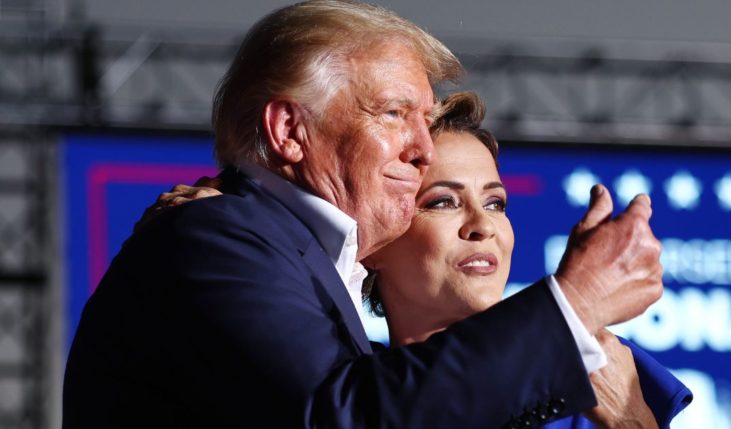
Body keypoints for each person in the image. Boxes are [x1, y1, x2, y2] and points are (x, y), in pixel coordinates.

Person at [63, 2, 663, 428]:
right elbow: (339, 415)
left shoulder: (261, 250)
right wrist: (573, 305)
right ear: (290, 131)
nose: (422, 148)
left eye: (425, 122)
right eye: (394, 113)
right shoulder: (217, 236)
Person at [161, 92, 692, 428]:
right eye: (441, 201)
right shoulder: (327, 387)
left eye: (495, 202)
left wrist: (631, 424)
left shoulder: (595, 373)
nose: (482, 225)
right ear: (374, 240)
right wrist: (251, 222)